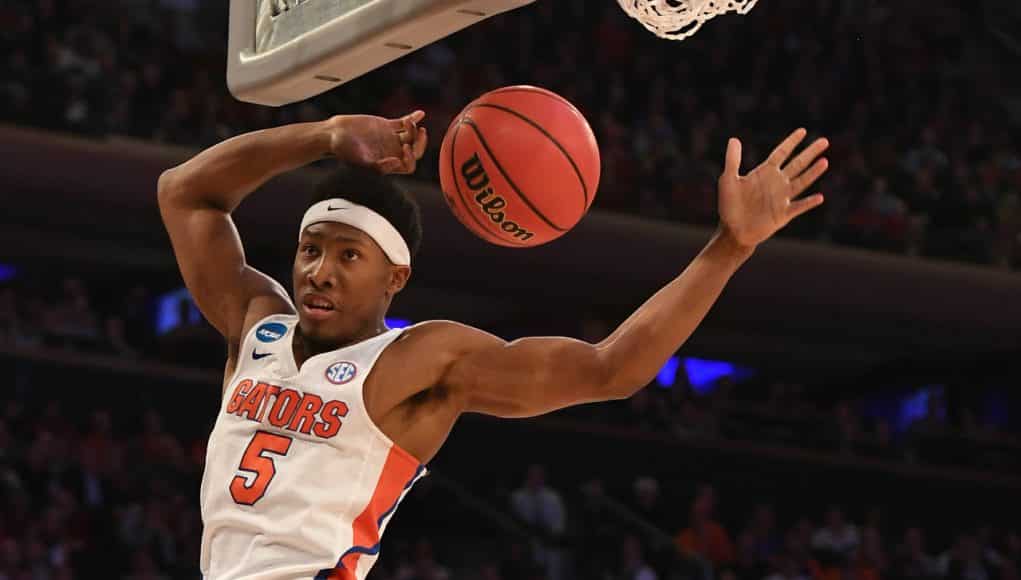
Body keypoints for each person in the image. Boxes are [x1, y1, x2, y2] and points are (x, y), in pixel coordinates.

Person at [156, 110, 829, 579]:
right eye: (309, 249)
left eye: (347, 255)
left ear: (395, 278)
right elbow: (185, 195)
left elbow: (610, 368)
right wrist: (326, 136)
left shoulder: (420, 360)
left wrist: (729, 247)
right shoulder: (256, 324)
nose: (318, 270)